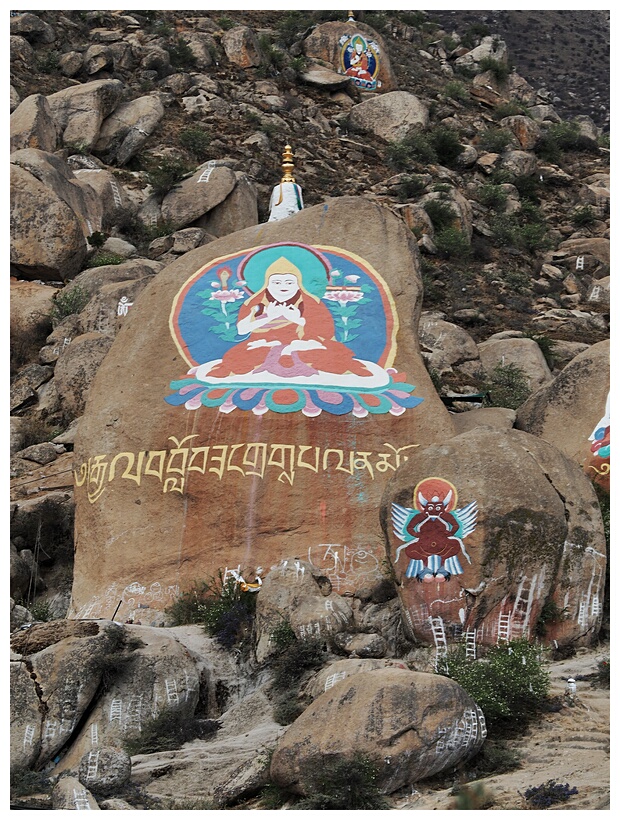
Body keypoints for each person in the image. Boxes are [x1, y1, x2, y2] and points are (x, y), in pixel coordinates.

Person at [207, 255, 371, 379]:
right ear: (267, 284)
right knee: (239, 357)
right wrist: (267, 317)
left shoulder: (311, 303)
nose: (283, 287)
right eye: (277, 282)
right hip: (263, 345)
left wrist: (298, 320)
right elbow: (242, 331)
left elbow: (326, 333)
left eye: (289, 282)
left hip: (306, 345)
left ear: (298, 283)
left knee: (333, 355)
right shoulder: (257, 303)